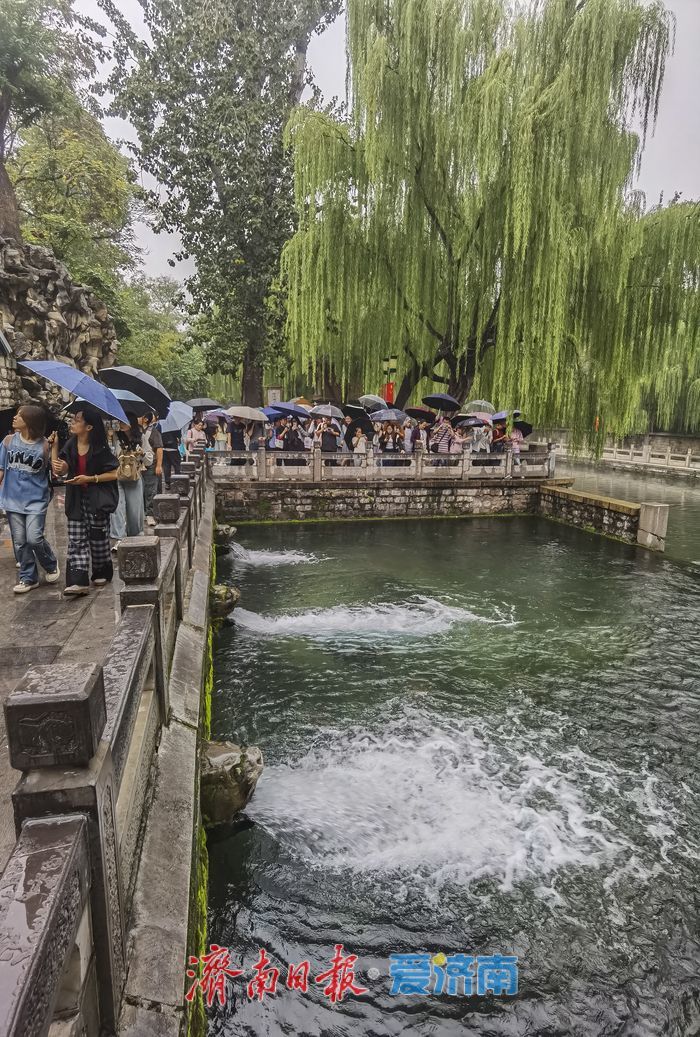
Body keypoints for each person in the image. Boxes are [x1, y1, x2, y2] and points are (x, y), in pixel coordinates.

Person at [51, 404, 119, 596]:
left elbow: (115, 473)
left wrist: (90, 478)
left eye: (77, 420)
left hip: (96, 498)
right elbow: (60, 469)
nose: (72, 423)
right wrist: (55, 448)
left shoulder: (101, 449)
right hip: (76, 498)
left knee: (98, 537)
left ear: (89, 427)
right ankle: (78, 580)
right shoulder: (70, 445)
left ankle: (101, 570)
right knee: (76, 538)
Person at [0, 404, 59, 593]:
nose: (15, 418)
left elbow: (56, 471)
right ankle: (28, 577)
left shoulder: (44, 445)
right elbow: (1, 468)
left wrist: (54, 447)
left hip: (36, 499)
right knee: (20, 541)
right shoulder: (8, 441)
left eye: (20, 415)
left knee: (34, 538)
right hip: (12, 499)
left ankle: (50, 564)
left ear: (30, 421)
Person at [140, 411, 163, 524]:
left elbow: (159, 448)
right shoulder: (136, 431)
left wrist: (158, 465)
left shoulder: (153, 432)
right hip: (138, 465)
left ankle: (150, 514)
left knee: (150, 489)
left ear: (145, 419)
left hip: (150, 464)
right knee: (141, 490)